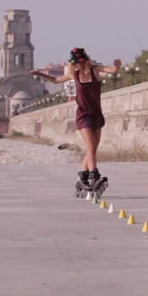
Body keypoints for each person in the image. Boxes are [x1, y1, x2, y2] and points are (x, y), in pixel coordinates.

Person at [30, 47, 121, 189]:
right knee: (90, 147)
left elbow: (113, 70)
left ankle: (82, 175)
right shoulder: (74, 75)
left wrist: (117, 65)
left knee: (93, 148)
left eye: (82, 62)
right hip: (83, 115)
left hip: (97, 114)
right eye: (77, 63)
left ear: (86, 60)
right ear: (73, 64)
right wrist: (39, 74)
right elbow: (55, 80)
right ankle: (94, 175)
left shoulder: (95, 70)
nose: (80, 65)